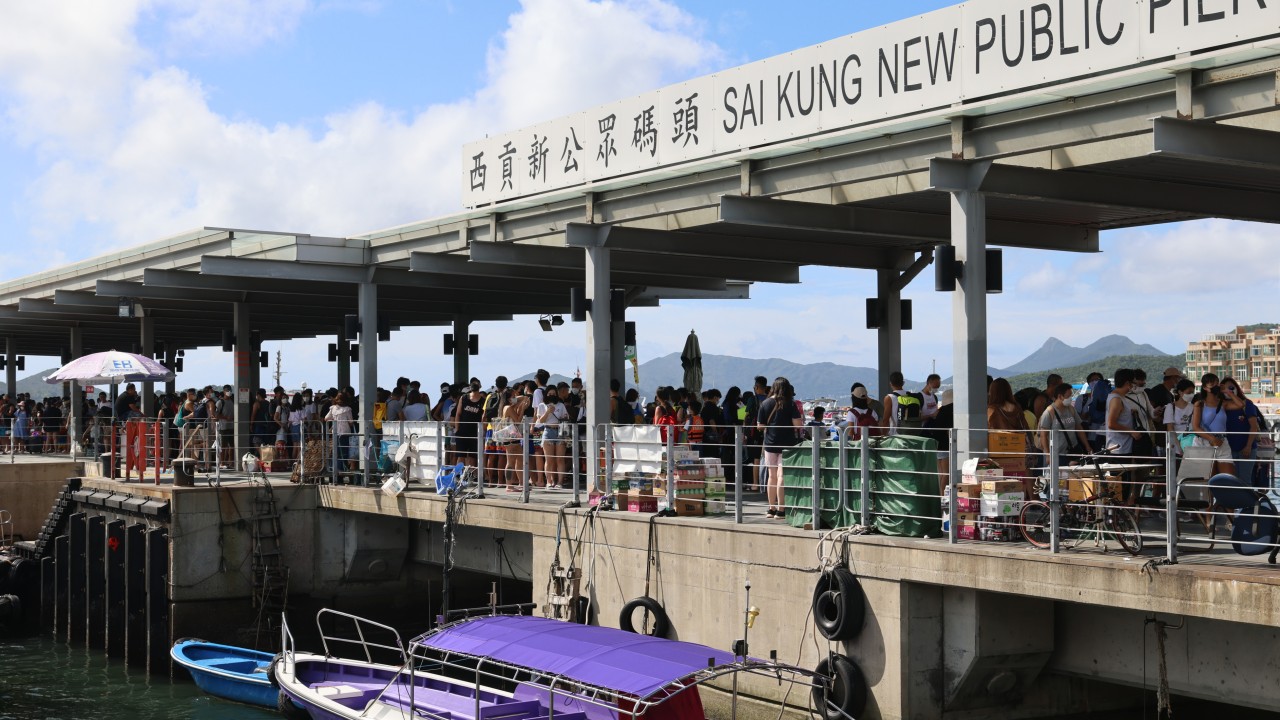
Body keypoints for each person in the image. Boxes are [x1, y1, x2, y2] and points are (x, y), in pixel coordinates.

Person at [757, 377, 803, 519]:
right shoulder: (791, 404)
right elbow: (798, 425)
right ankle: (781, 510)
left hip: (770, 444)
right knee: (781, 476)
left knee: (771, 476)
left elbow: (760, 426)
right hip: (787, 444)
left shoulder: (765, 403)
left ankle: (771, 508)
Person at [1221, 378, 1262, 487]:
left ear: (1236, 388)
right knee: (1230, 481)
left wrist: (1248, 446)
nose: (1228, 391)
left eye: (1231, 388)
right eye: (1224, 389)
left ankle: (1247, 504)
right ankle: (1233, 504)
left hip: (1246, 448)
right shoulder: (1222, 406)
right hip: (1228, 449)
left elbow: (1253, 427)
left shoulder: (1247, 404)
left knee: (1245, 480)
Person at [1037, 382, 1092, 464]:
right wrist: (1048, 455)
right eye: (1069, 396)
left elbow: (1079, 428)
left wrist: (1087, 446)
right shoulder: (1049, 412)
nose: (1071, 398)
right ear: (1060, 396)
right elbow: (1043, 435)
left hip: (1072, 450)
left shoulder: (1071, 409)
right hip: (1057, 454)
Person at [1190, 374, 1233, 477]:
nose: (1216, 386)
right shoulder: (1199, 404)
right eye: (1212, 384)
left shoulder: (1223, 403)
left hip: (1222, 442)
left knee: (1229, 478)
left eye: (1217, 384)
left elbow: (1241, 405)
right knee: (1207, 477)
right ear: (1205, 387)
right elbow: (1195, 427)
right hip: (1204, 441)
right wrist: (1212, 439)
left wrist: (1227, 392)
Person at [534, 385, 568, 488]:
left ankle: (560, 482)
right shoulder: (541, 405)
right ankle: (549, 481)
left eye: (554, 394)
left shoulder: (561, 405)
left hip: (560, 431)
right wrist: (548, 411)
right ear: (546, 395)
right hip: (548, 431)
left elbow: (565, 418)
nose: (552, 395)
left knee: (560, 459)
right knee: (549, 459)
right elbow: (541, 420)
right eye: (549, 394)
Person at [453, 378, 486, 467]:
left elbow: (483, 418)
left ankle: (470, 476)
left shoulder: (483, 401)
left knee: (472, 457)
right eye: (473, 384)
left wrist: (482, 431)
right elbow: (458, 414)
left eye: (476, 384)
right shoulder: (464, 398)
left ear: (480, 386)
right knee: (461, 456)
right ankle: (458, 475)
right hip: (462, 432)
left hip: (475, 433)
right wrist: (457, 429)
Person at [1162, 378, 1196, 462]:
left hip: (1192, 444)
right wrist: (1179, 447)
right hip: (1176, 447)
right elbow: (1170, 428)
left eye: (1192, 392)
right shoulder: (1170, 407)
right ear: (1180, 392)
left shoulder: (1193, 407)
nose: (1191, 395)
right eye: (1189, 392)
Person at [324, 392, 355, 471]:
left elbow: (326, 418)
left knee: (336, 452)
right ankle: (342, 469)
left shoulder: (333, 408)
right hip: (345, 432)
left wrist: (334, 419)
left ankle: (336, 470)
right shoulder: (347, 409)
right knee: (344, 452)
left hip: (335, 432)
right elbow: (351, 421)